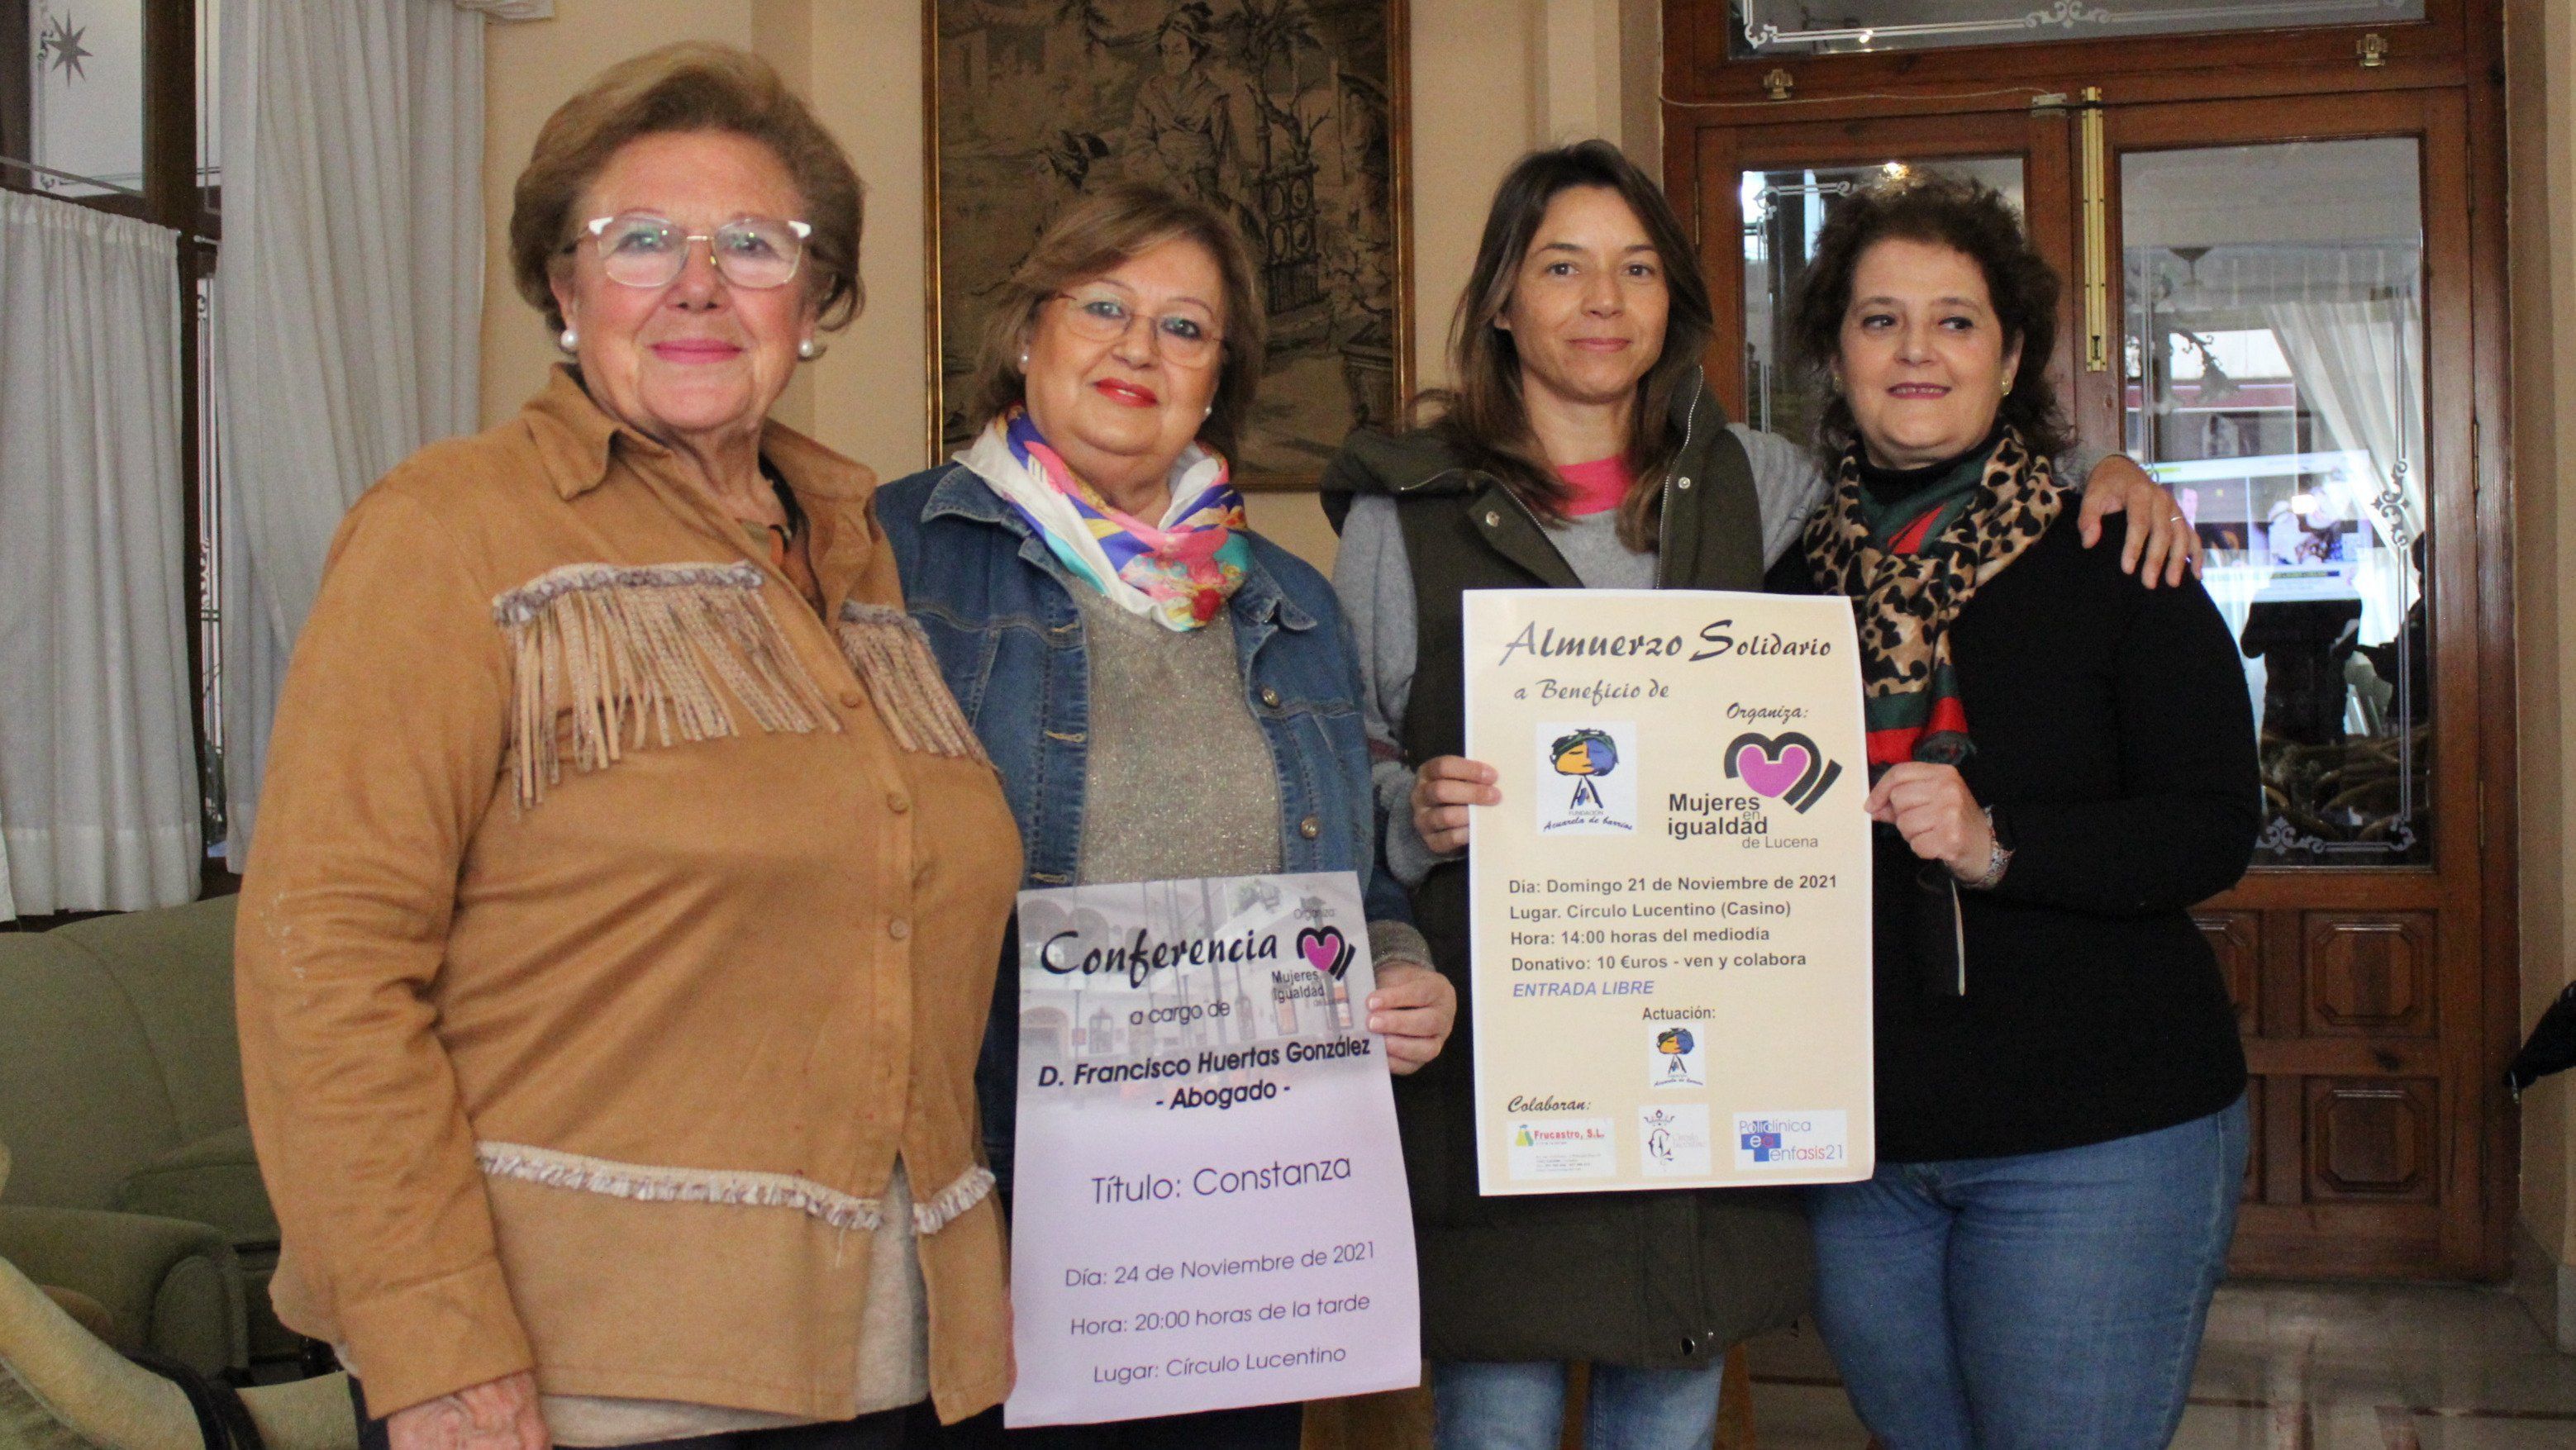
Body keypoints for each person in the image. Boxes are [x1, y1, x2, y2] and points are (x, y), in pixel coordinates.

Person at [1320, 140, 2202, 1450]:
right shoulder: (1402, 519)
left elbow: (1944, 475)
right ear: (1503, 297)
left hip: (1710, 1050)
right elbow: (1349, 768)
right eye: (1561, 268)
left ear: (1675, 302)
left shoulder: (1760, 488)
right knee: (1493, 1414)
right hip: (1506, 1063)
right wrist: (1415, 809)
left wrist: (2104, 476)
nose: (1601, 302)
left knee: (1671, 1403)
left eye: (1634, 269)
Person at [236, 44, 1016, 1450]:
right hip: (578, 1377)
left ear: (816, 301)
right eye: (641, 240)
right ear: (562, 284)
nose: (699, 283)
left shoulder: (853, 551)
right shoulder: (448, 528)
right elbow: (328, 965)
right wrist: (431, 1348)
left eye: (756, 246)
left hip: (900, 1364)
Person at [874, 183, 1457, 1450]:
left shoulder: (1289, 599)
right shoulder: (895, 557)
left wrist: (1403, 970)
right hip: (986, 1201)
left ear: (1217, 382)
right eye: (1103, 306)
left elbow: (1355, 885)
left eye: (1184, 328)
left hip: (1236, 1232)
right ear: (1029, 335)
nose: (1139, 348)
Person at [1775, 174, 2257, 1448]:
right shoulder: (1772, 589)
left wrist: (1999, 844)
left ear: (2012, 353)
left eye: (1954, 319)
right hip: (1858, 1151)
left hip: (2098, 1135)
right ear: (1835, 352)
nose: (1915, 351)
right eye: (1879, 320)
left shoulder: (2116, 556)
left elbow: (2212, 825)